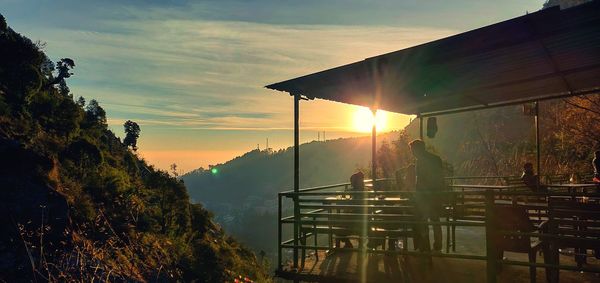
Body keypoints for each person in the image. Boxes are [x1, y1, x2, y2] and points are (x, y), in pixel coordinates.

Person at [409, 139, 444, 253]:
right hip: (437, 194)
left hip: (425, 197)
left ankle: (424, 246)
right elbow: (440, 178)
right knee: (435, 221)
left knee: (422, 221)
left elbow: (420, 181)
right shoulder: (436, 159)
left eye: (412, 150)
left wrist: (416, 195)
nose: (412, 153)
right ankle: (437, 245)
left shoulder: (420, 161)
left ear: (417, 149)